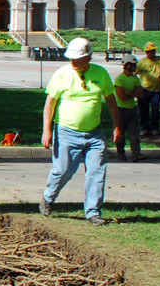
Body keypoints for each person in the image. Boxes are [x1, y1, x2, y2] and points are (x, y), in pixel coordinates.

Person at [39, 37, 122, 225]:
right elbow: (49, 104)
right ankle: (48, 198)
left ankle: (93, 212)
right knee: (63, 170)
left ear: (88, 58)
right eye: (71, 58)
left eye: (77, 58)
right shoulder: (62, 74)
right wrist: (47, 130)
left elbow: (111, 101)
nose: (73, 62)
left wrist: (116, 126)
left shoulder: (101, 74)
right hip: (66, 132)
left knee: (96, 172)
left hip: (94, 133)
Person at [111, 58, 144, 162]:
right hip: (121, 109)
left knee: (134, 133)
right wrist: (133, 94)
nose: (135, 66)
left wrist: (130, 93)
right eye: (133, 64)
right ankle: (121, 153)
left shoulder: (135, 78)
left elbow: (140, 93)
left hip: (132, 109)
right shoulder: (120, 79)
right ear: (128, 65)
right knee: (121, 132)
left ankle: (136, 153)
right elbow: (121, 96)